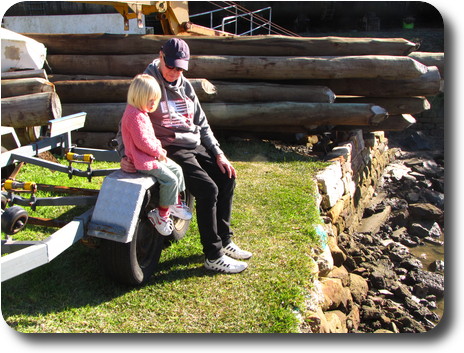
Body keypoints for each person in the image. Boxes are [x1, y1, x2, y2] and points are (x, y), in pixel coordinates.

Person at [118, 38, 252, 274]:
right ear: (160, 56)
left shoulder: (186, 86)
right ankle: (213, 255)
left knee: (227, 177)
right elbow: (128, 122)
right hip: (169, 148)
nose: (175, 72)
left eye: (180, 68)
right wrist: (124, 154)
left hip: (194, 143)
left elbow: (202, 123)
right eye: (171, 66)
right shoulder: (147, 84)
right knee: (208, 190)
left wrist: (218, 153)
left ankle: (225, 239)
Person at [120, 73, 192, 236]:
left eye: (155, 100)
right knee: (170, 179)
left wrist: (158, 151)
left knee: (177, 169)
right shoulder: (134, 116)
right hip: (142, 161)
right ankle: (161, 214)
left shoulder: (139, 112)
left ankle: (175, 202)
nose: (154, 104)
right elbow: (143, 142)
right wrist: (158, 152)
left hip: (150, 157)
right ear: (138, 97)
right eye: (150, 100)